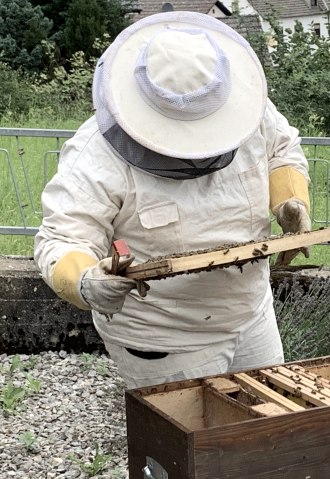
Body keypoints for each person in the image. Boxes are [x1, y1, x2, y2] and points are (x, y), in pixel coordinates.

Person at [34, 11, 311, 388]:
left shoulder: (248, 107)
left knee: (262, 427)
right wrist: (86, 280)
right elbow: (62, 238)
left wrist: (289, 198)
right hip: (163, 338)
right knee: (192, 443)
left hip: (251, 313)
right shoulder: (94, 156)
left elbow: (282, 148)